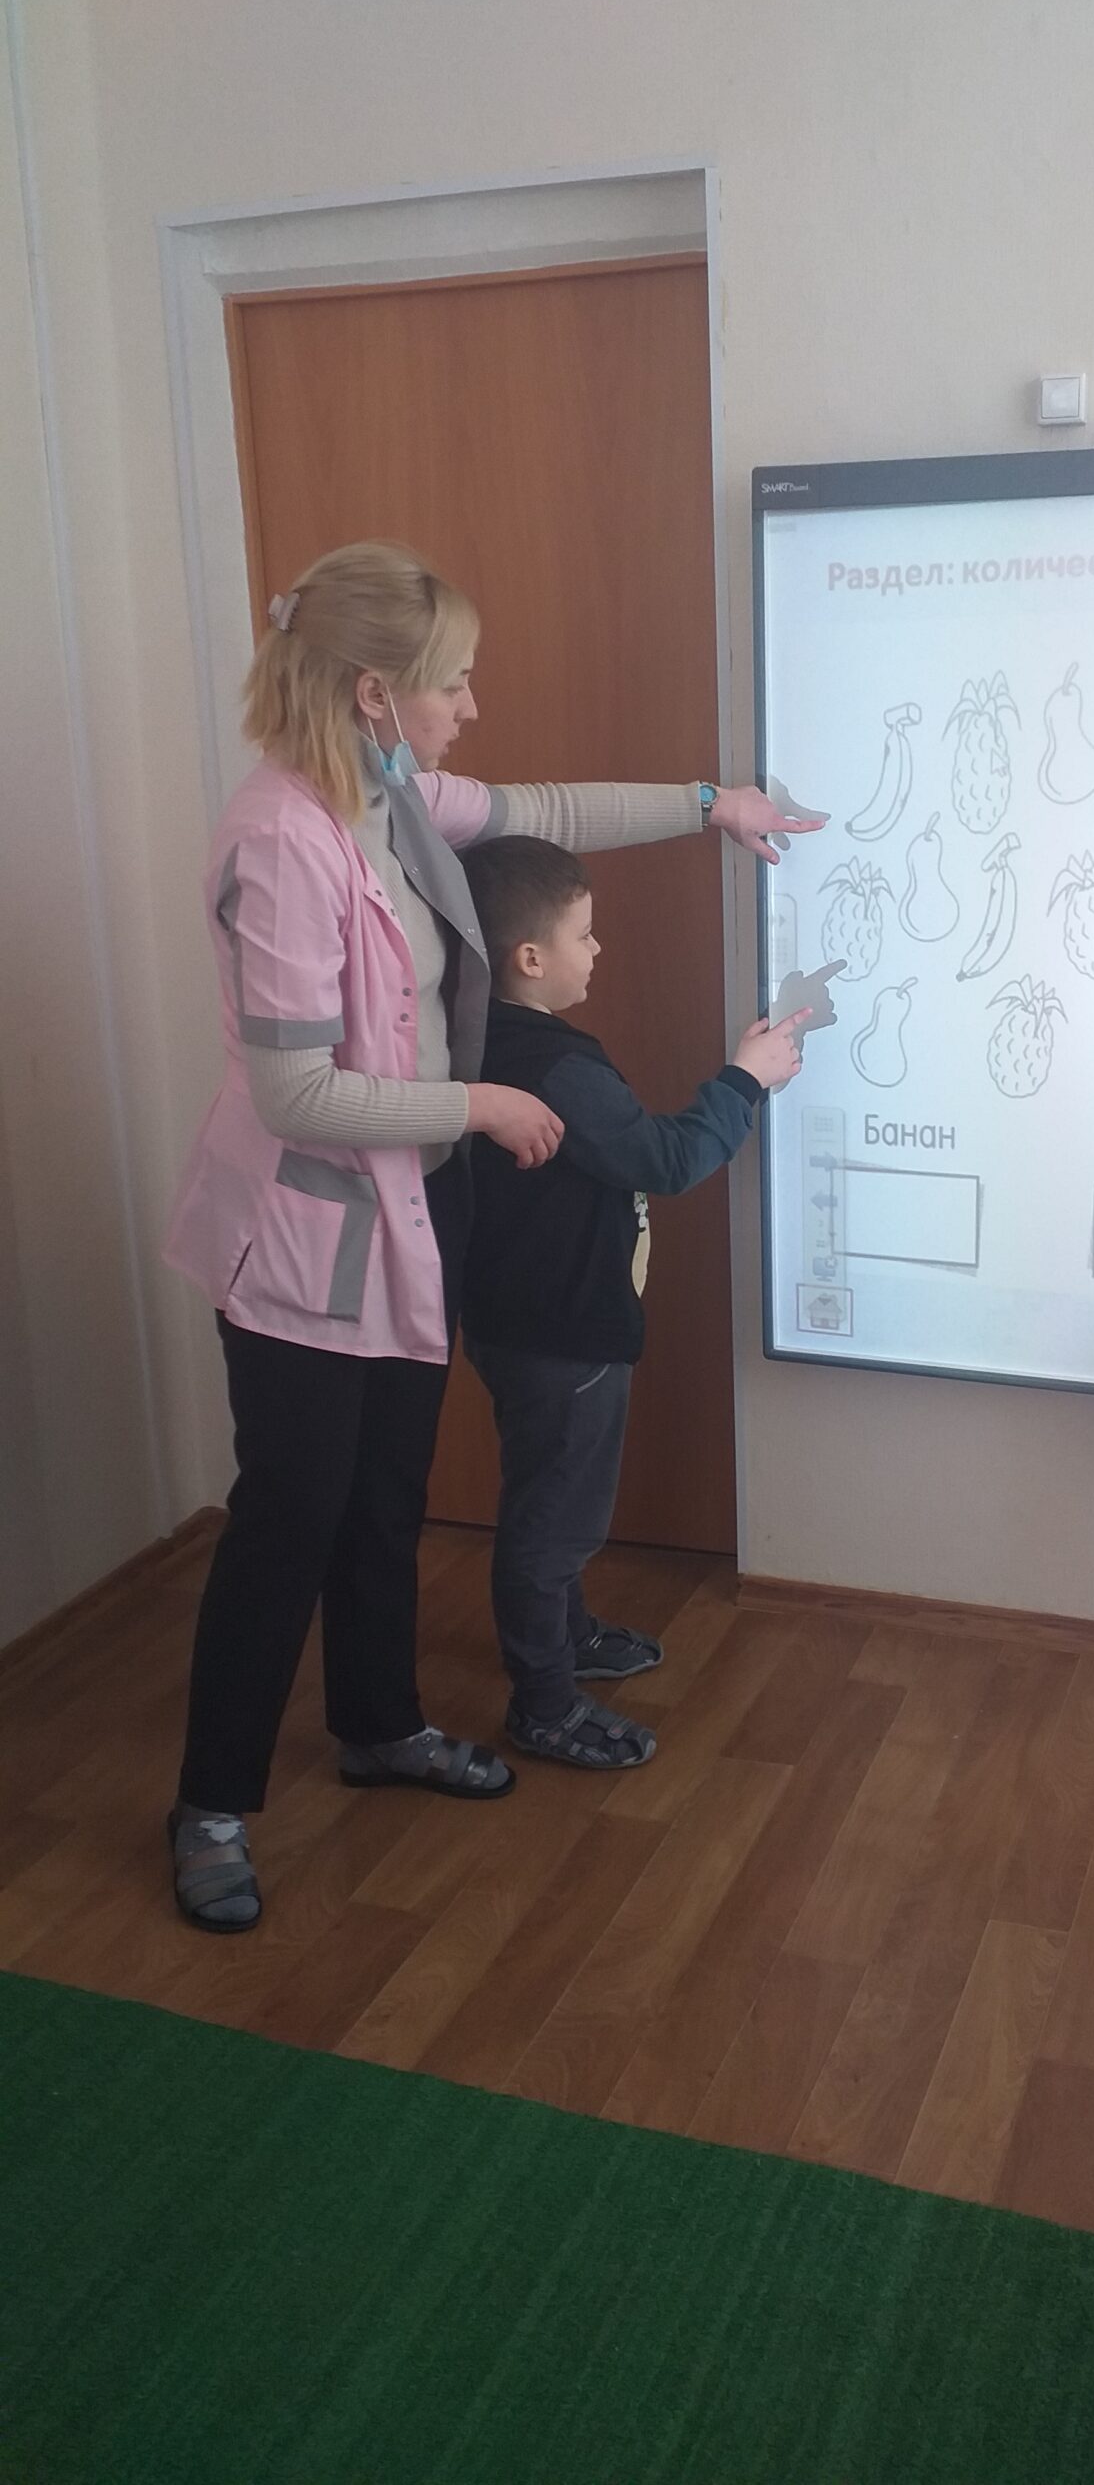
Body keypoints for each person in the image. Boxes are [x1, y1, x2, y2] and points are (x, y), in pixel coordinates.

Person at [163, 540, 822, 1931]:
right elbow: (295, 1094)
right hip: (304, 1243)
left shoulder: (389, 794)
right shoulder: (281, 840)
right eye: (451, 682)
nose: (470, 705)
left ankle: (380, 1725)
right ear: (372, 693)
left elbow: (542, 805)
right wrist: (481, 1102)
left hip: (409, 1217)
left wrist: (713, 805)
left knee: (388, 1498)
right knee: (290, 1520)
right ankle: (211, 1805)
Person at [459, 836, 807, 1770]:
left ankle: (566, 1635)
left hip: (512, 1321)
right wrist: (746, 1079)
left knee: (549, 1494)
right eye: (584, 934)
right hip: (564, 1334)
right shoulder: (555, 1066)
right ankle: (543, 1705)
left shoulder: (476, 1036)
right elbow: (665, 1158)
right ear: (530, 958)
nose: (598, 948)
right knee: (554, 1520)